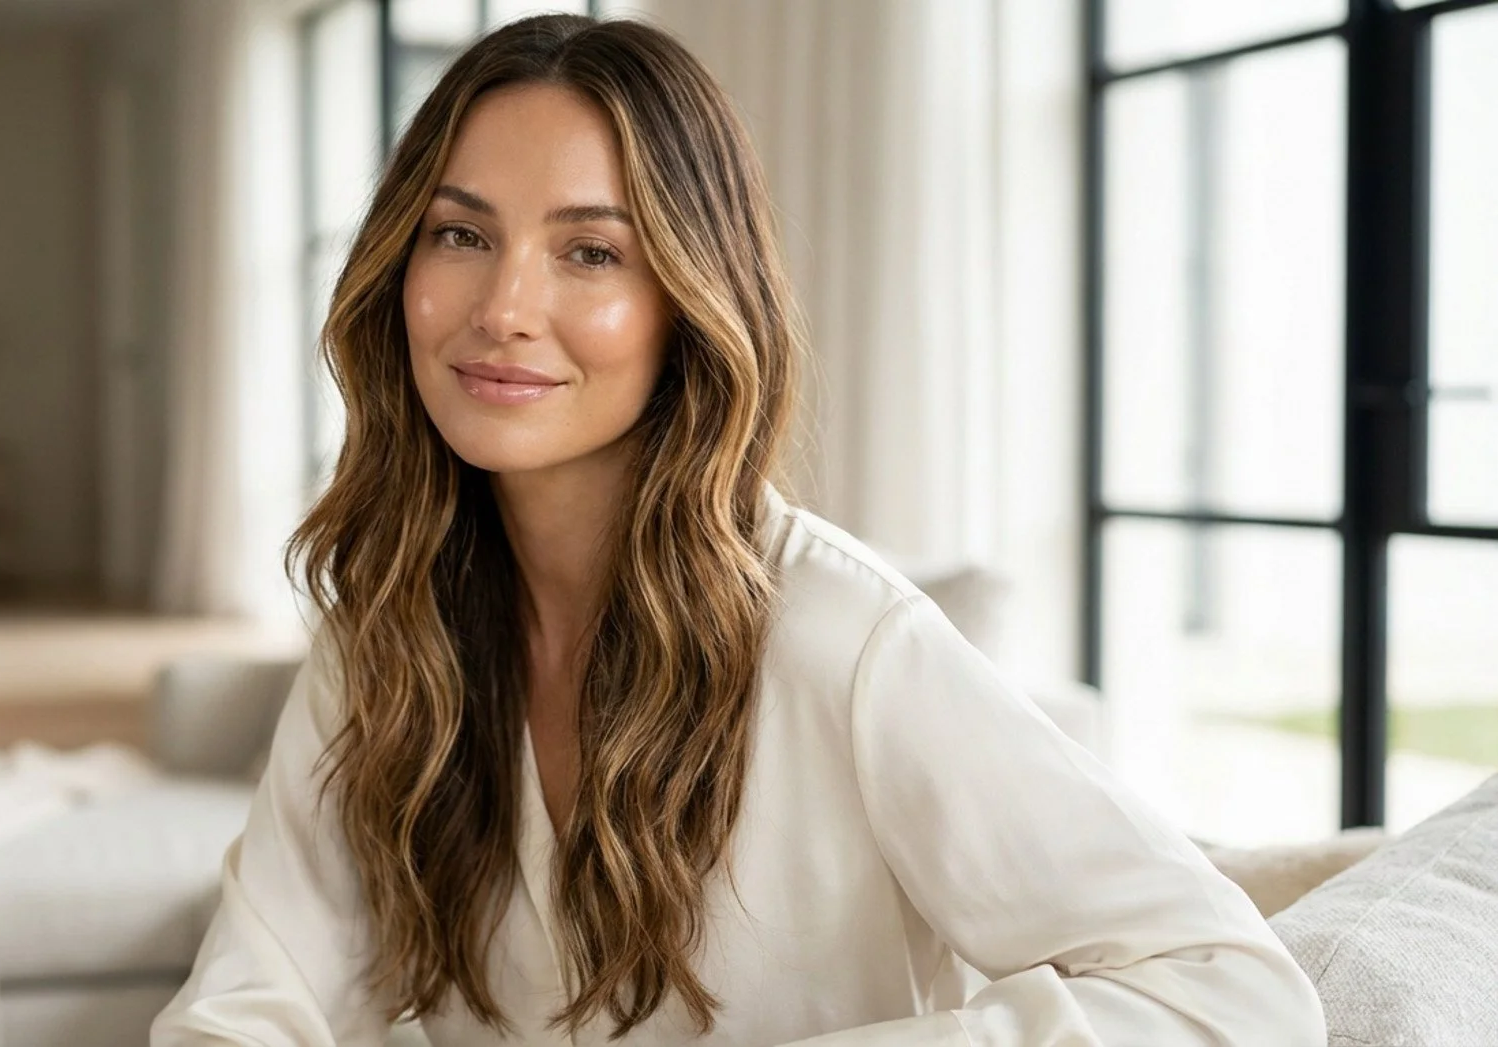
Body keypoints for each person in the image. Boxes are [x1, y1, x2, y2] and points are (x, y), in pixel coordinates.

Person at [152, 13, 1324, 1047]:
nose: (502, 310)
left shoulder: (838, 640)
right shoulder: (383, 636)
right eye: (460, 235)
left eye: (589, 253)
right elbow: (250, 1002)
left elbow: (1227, 993)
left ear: (688, 302)